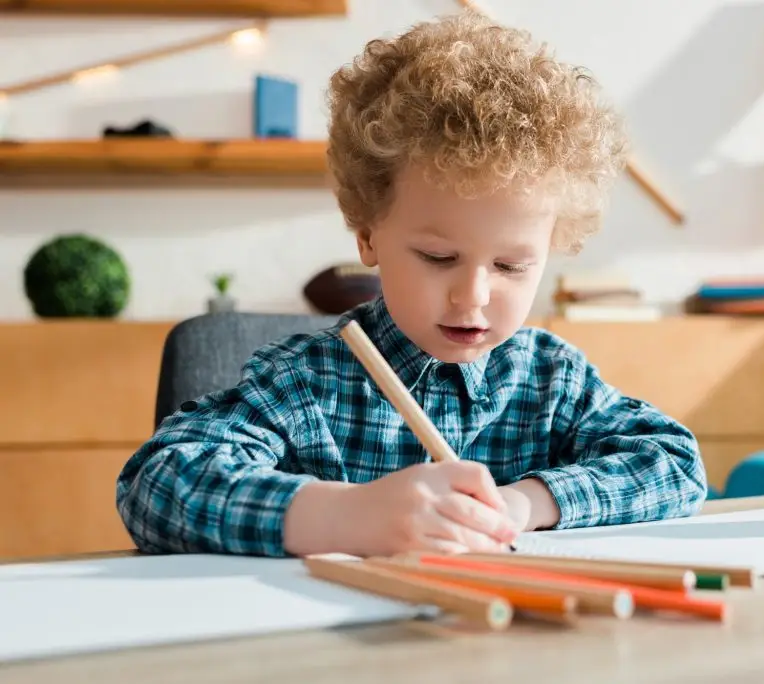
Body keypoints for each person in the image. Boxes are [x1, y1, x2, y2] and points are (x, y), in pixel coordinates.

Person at [115, 12, 706, 559]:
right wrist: (346, 516)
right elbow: (157, 480)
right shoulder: (304, 384)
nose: (472, 296)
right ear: (368, 236)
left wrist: (524, 502)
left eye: (511, 266)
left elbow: (674, 463)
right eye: (438, 255)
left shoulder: (552, 381)